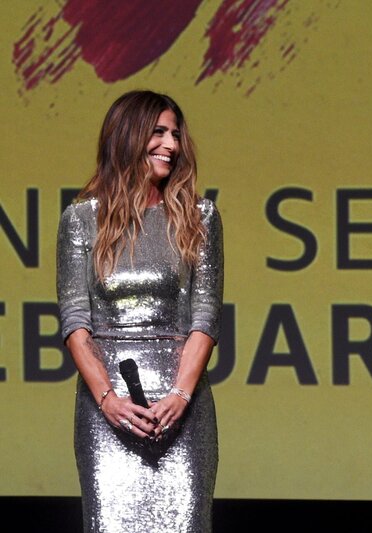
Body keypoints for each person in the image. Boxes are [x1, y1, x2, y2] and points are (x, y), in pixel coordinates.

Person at [57, 90, 223, 533]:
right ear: (128, 137)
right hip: (106, 410)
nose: (172, 144)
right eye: (159, 132)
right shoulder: (81, 219)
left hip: (182, 411)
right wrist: (109, 401)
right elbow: (75, 322)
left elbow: (204, 318)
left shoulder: (200, 217)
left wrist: (180, 398)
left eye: (175, 135)